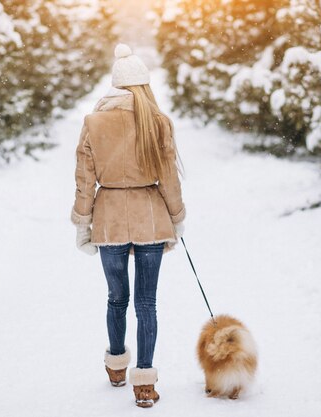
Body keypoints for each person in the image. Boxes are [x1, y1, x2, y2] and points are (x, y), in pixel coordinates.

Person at [70, 43, 185, 408]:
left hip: (110, 222)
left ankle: (116, 366)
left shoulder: (93, 122)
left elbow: (84, 180)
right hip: (151, 218)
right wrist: (177, 217)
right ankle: (145, 383)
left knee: (117, 297)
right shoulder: (157, 122)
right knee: (146, 303)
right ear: (144, 86)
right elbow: (169, 179)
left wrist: (82, 223)